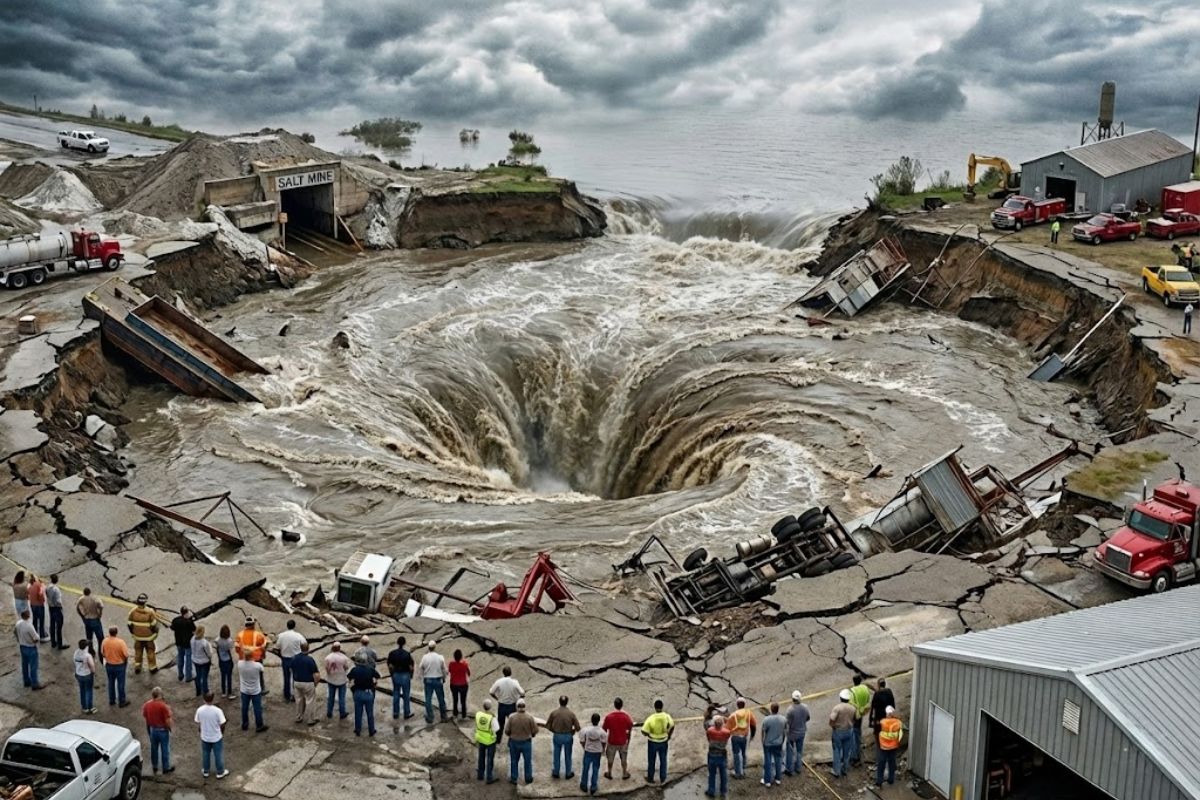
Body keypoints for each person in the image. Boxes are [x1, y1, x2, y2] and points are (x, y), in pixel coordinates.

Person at [195, 692, 229, 779]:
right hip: (216, 737)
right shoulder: (217, 711)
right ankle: (220, 772)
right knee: (218, 754)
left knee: (206, 754)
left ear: (204, 699)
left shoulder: (200, 710)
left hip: (205, 736)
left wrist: (201, 730)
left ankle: (206, 771)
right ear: (213, 699)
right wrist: (221, 732)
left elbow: (198, 722)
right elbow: (223, 723)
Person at [546, 695, 581, 780]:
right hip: (568, 736)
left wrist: (553, 730)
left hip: (557, 735)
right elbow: (578, 727)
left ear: (559, 702)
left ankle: (556, 772)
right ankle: (568, 773)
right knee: (568, 755)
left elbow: (547, 725)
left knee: (556, 754)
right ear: (567, 702)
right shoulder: (571, 714)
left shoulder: (554, 713)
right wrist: (572, 731)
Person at [504, 698, 538, 785]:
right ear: (525, 707)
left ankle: (514, 778)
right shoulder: (530, 717)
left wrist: (512, 735)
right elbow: (535, 730)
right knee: (527, 761)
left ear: (516, 707)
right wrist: (532, 735)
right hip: (526, 742)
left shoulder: (511, 717)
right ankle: (528, 778)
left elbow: (507, 731)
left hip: (514, 742)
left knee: (514, 761)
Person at [641, 698, 675, 784]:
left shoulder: (651, 718)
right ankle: (663, 778)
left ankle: (650, 778)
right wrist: (669, 735)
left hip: (652, 742)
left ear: (655, 707)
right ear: (662, 707)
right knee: (663, 760)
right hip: (663, 741)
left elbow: (643, 730)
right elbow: (672, 725)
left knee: (651, 761)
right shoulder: (666, 716)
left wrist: (648, 734)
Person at [142, 687, 174, 775]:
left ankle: (155, 766)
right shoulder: (163, 706)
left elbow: (145, 716)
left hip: (152, 730)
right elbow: (167, 720)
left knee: (154, 749)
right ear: (159, 695)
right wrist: (170, 728)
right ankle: (165, 768)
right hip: (162, 731)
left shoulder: (147, 705)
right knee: (164, 749)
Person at [348, 651, 380, 736]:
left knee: (358, 713)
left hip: (358, 692)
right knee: (370, 713)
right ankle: (371, 730)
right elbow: (377, 676)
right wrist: (374, 685)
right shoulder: (370, 669)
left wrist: (352, 688)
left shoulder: (354, 670)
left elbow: (349, 679)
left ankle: (358, 730)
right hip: (368, 693)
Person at [489, 665, 524, 742]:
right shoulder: (515, 682)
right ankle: (511, 740)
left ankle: (498, 739)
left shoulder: (499, 681)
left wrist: (497, 698)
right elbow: (522, 693)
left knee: (500, 723)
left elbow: (491, 692)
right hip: (512, 706)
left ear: (503, 673)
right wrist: (518, 699)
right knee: (513, 723)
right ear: (510, 673)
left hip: (502, 705)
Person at [602, 697, 634, 780]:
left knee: (610, 758)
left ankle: (609, 772)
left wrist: (603, 744)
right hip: (622, 741)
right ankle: (624, 773)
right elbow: (630, 727)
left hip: (612, 741)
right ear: (622, 705)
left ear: (614, 705)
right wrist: (628, 739)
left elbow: (604, 730)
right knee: (624, 758)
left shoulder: (609, 717)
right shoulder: (626, 717)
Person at [275, 620, 307, 703]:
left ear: (287, 626)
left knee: (286, 677)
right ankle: (295, 695)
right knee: (296, 677)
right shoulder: (298, 635)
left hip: (285, 658)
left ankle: (286, 695)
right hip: (296, 658)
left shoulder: (281, 636)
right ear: (294, 626)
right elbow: (305, 644)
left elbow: (277, 647)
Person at [126, 593, 159, 674]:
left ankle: (137, 667)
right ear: (145, 602)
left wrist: (133, 632)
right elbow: (154, 625)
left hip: (137, 637)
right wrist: (155, 632)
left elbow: (129, 624)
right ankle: (152, 668)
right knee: (150, 651)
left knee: (138, 651)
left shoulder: (132, 611)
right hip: (149, 637)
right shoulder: (150, 612)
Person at [418, 640, 449, 723]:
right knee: (441, 698)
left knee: (428, 699)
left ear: (428, 647)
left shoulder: (425, 657)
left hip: (428, 680)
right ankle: (443, 716)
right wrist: (444, 677)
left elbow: (421, 667)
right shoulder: (440, 657)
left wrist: (421, 677)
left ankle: (430, 717)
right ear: (435, 647)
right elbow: (444, 669)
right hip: (438, 679)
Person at [291, 642, 321, 725]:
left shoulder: (294, 658)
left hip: (297, 682)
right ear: (308, 649)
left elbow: (291, 669)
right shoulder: (310, 660)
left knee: (299, 700)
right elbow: (316, 673)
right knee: (310, 701)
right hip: (308, 682)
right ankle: (311, 719)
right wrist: (315, 683)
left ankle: (298, 717)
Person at [829, 690, 857, 778]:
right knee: (847, 751)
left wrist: (833, 726)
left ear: (840, 698)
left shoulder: (837, 708)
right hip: (848, 731)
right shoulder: (853, 708)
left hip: (838, 731)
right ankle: (845, 769)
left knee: (837, 750)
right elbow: (855, 718)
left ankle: (836, 771)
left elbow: (832, 720)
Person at [578, 712, 608, 796]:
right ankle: (593, 787)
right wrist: (602, 750)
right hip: (597, 753)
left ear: (591, 720)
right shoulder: (602, 732)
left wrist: (585, 747)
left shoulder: (586, 730)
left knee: (585, 768)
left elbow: (581, 740)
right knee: (595, 769)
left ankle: (584, 785)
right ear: (598, 721)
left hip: (588, 751)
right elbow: (604, 742)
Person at [238, 651, 267, 732]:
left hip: (244, 689)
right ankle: (259, 725)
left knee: (244, 707)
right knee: (257, 708)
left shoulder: (240, 664)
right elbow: (262, 670)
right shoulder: (257, 666)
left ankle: (245, 724)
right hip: (255, 690)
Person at [386, 636, 415, 720]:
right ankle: (406, 713)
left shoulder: (392, 653)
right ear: (404, 643)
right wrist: (411, 675)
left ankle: (395, 713)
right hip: (405, 675)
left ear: (397, 643)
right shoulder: (407, 654)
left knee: (396, 693)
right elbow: (411, 667)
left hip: (396, 674)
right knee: (406, 695)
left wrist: (392, 674)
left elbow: (390, 666)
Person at [101, 626, 130, 707]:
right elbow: (126, 654)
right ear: (116, 633)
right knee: (121, 684)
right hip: (119, 665)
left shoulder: (105, 641)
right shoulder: (120, 642)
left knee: (111, 683)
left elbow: (102, 652)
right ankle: (121, 701)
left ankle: (112, 700)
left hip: (109, 665)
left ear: (109, 632)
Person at [728, 697, 757, 778]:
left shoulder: (733, 715)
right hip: (744, 737)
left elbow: (727, 728)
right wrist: (752, 735)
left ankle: (738, 773)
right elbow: (753, 725)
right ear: (744, 705)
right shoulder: (749, 713)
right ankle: (743, 769)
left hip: (735, 737)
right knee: (743, 753)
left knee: (737, 754)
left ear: (737, 705)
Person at [875, 706, 904, 787]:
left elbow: (878, 729)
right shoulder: (898, 722)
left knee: (881, 763)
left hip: (884, 747)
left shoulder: (883, 722)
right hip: (893, 746)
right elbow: (900, 732)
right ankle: (891, 779)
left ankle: (879, 781)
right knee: (892, 763)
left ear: (887, 714)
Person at [784, 689, 810, 777]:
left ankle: (789, 769)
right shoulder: (805, 707)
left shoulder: (790, 710)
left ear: (792, 699)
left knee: (789, 751)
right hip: (802, 732)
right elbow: (808, 718)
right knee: (799, 751)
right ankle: (798, 768)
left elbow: (787, 724)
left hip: (792, 734)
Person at [704, 714, 731, 798]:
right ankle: (723, 791)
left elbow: (708, 738)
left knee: (712, 774)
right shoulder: (726, 732)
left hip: (712, 754)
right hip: (722, 754)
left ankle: (711, 790)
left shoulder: (710, 730)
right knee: (723, 774)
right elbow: (727, 738)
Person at [761, 702, 787, 787]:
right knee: (778, 761)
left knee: (768, 762)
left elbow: (763, 732)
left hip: (768, 744)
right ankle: (778, 779)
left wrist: (763, 742)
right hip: (778, 743)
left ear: (771, 709)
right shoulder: (783, 719)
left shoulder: (767, 720)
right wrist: (782, 741)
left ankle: (767, 781)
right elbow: (784, 732)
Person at [475, 699, 500, 783]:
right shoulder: (492, 717)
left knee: (481, 757)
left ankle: (480, 775)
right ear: (491, 707)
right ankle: (489, 777)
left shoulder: (478, 714)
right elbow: (497, 728)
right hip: (490, 740)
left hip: (480, 738)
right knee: (490, 759)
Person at [324, 641, 352, 719]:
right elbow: (346, 667)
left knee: (331, 697)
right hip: (341, 680)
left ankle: (329, 712)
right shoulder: (344, 658)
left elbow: (326, 669)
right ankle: (342, 713)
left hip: (331, 680)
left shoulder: (328, 658)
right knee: (341, 698)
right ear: (339, 648)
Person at [15, 610, 41, 690]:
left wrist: (19, 639)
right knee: (33, 666)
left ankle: (26, 681)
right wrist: (34, 642)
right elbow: (36, 637)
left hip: (22, 646)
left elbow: (14, 632)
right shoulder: (29, 626)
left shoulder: (18, 623)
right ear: (28, 616)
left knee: (24, 665)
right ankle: (34, 683)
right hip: (30, 647)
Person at [848, 675, 871, 765]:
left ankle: (855, 756)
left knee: (854, 733)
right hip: (862, 712)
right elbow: (868, 699)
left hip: (855, 714)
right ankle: (858, 750)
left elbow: (850, 704)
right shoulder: (865, 688)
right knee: (858, 732)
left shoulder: (852, 691)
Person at [170, 607, 196, 684]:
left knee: (180, 657)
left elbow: (172, 628)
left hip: (178, 642)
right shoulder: (189, 622)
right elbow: (194, 631)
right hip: (187, 643)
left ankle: (180, 674)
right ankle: (188, 676)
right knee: (188, 659)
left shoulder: (176, 620)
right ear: (187, 613)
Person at [76, 587, 105, 654]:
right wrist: (100, 614)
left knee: (89, 637)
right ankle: (101, 651)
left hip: (87, 619)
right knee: (100, 637)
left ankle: (91, 650)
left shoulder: (81, 599)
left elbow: (77, 608)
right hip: (95, 619)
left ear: (84, 592)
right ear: (90, 592)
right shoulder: (94, 599)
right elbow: (101, 606)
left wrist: (82, 616)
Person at [73, 639, 97, 714]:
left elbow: (74, 662)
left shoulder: (76, 652)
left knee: (82, 690)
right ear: (86, 646)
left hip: (78, 674)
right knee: (89, 691)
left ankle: (84, 707)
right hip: (87, 674)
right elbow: (92, 665)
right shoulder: (87, 655)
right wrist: (93, 672)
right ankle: (90, 707)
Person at [869, 678, 896, 744]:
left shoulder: (877, 693)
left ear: (878, 685)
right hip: (887, 715)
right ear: (885, 684)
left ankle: (881, 743)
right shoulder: (889, 691)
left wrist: (870, 719)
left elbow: (873, 707)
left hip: (879, 716)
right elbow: (893, 704)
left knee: (878, 732)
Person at [191, 625, 213, 698]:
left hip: (195, 660)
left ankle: (198, 691)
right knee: (204, 677)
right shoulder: (204, 642)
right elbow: (209, 653)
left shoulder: (192, 639)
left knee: (197, 676)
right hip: (204, 661)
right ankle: (206, 691)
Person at [449, 649, 470, 719]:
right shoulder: (465, 664)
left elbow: (449, 671)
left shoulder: (451, 663)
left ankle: (455, 713)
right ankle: (464, 715)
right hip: (463, 685)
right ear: (461, 656)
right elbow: (468, 673)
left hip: (454, 684)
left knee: (455, 700)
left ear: (454, 657)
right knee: (463, 701)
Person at [216, 625, 236, 699]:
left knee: (223, 676)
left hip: (221, 660)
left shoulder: (218, 640)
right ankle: (230, 693)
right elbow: (230, 651)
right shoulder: (229, 641)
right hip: (228, 660)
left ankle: (223, 692)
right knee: (229, 677)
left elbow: (216, 648)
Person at [46, 575, 66, 650]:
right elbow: (58, 601)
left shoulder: (48, 587)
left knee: (52, 625)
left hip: (51, 607)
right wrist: (61, 606)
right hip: (57, 608)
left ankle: (53, 642)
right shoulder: (56, 589)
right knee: (59, 627)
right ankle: (60, 644)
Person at [27, 574, 47, 642]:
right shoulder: (38, 585)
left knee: (35, 620)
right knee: (41, 620)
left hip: (32, 605)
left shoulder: (29, 586)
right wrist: (42, 601)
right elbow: (40, 594)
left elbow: (28, 595)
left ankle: (35, 633)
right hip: (39, 605)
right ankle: (42, 635)